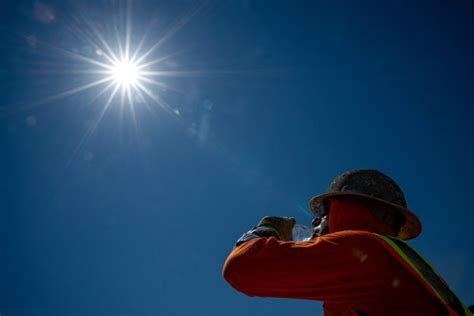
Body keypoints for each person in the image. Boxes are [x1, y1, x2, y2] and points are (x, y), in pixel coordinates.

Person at [223, 169, 472, 316]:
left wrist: (267, 229)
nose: (316, 221)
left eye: (323, 211)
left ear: (347, 208)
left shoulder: (363, 251)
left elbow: (242, 269)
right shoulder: (393, 262)